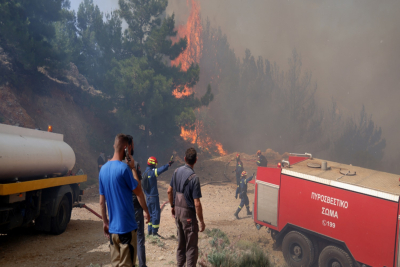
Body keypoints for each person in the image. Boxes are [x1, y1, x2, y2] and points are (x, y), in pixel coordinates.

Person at [99, 134, 150, 267]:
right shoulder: (124, 169)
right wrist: (132, 167)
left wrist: (105, 222)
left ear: (114, 146)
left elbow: (101, 202)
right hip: (126, 229)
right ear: (126, 148)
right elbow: (139, 191)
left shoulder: (103, 170)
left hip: (113, 231)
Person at [167, 148, 205, 267]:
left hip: (178, 213)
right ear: (196, 160)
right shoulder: (194, 178)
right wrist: (201, 221)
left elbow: (169, 191)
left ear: (184, 159)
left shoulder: (176, 171)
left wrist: (173, 206)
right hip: (189, 216)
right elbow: (197, 203)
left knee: (181, 245)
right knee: (191, 247)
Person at [126, 135, 146, 267]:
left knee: (125, 239)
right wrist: (146, 210)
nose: (134, 147)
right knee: (139, 239)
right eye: (132, 144)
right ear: (128, 147)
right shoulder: (136, 165)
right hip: (135, 207)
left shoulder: (113, 165)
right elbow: (138, 189)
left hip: (122, 208)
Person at [142, 156, 174, 236]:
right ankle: (155, 232)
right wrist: (168, 164)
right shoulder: (152, 172)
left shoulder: (144, 173)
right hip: (154, 197)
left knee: (150, 213)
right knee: (156, 214)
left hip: (148, 198)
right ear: (153, 164)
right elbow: (161, 170)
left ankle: (149, 231)